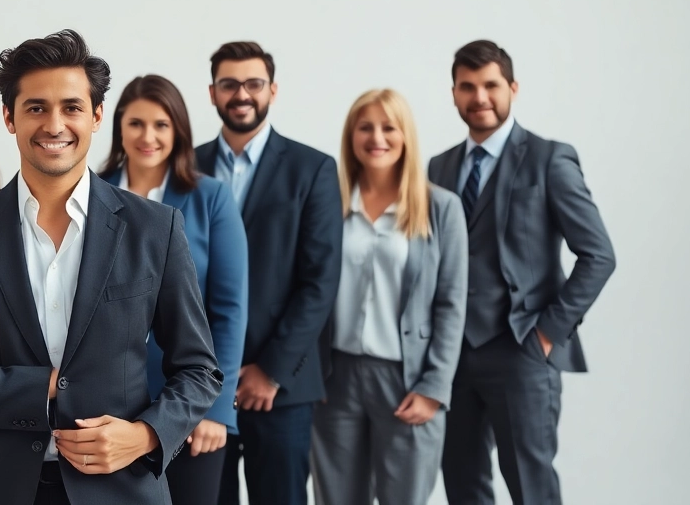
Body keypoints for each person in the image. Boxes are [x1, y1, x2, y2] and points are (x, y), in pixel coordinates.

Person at [0, 29, 223, 505]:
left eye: (72, 107)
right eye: (36, 107)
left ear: (97, 116)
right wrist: (47, 384)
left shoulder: (154, 228)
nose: (54, 124)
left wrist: (144, 436)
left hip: (121, 487)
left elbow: (199, 370)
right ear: (9, 118)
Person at [430, 40, 616, 505]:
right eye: (467, 87)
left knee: (530, 486)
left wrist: (548, 334)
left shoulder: (549, 158)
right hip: (451, 356)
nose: (480, 98)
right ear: (453, 94)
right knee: (462, 483)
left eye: (491, 85)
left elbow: (598, 254)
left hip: (522, 350)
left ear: (512, 87)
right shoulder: (438, 166)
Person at [195, 41, 344, 505]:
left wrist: (271, 371)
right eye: (229, 84)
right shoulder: (185, 167)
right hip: (200, 383)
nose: (242, 93)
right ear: (213, 93)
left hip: (282, 386)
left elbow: (320, 281)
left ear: (272, 91)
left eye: (253, 83)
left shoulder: (313, 168)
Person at [311, 89, 468, 505]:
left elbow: (451, 304)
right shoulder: (331, 202)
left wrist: (435, 385)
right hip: (336, 378)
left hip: (407, 380)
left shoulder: (441, 208)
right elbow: (310, 287)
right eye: (365, 127)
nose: (376, 137)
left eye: (388, 127)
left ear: (406, 136)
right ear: (351, 136)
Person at [98, 74, 249, 505]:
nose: (148, 137)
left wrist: (215, 409)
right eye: (136, 124)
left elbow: (230, 309)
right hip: (105, 401)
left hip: (188, 405)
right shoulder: (90, 193)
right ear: (117, 127)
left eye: (161, 125)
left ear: (178, 130)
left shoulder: (210, 198)